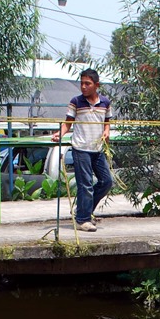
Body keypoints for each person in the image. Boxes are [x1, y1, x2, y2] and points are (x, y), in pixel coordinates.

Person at [53, 68, 112, 232]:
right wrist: (60, 133)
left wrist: (106, 131)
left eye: (88, 84)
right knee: (85, 184)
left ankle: (83, 211)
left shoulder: (105, 103)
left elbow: (106, 121)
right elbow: (68, 123)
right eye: (82, 83)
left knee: (107, 181)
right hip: (81, 148)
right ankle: (82, 219)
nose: (84, 87)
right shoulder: (76, 102)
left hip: (97, 149)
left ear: (96, 85)